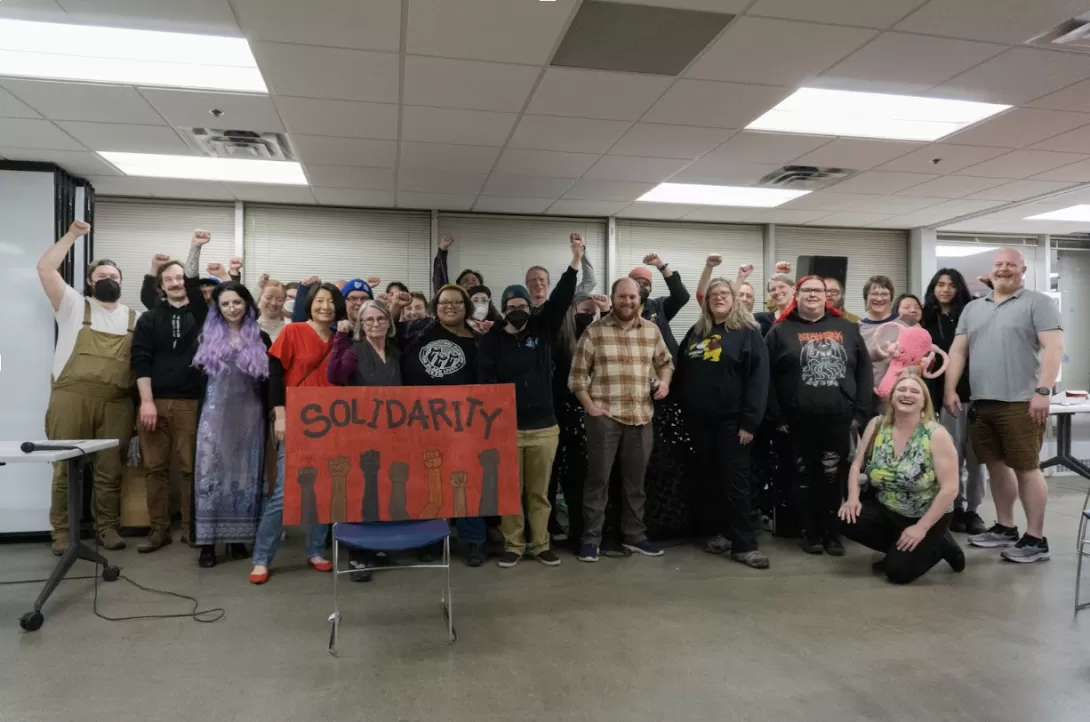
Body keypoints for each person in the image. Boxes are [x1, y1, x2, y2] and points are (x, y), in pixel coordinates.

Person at [944, 248, 1064, 564]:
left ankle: (1036, 539)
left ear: (1022, 270)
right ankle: (1005, 527)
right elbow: (958, 352)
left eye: (1011, 264)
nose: (1004, 269)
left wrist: (1043, 390)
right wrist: (950, 388)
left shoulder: (1038, 303)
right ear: (991, 270)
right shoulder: (973, 308)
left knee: (1027, 468)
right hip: (983, 403)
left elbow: (1054, 347)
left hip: (1022, 402)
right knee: (995, 466)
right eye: (999, 264)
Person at [479, 238, 581, 568]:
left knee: (539, 493)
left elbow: (563, 296)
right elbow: (485, 378)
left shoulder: (543, 328)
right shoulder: (493, 337)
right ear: (503, 308)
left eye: (521, 304)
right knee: (511, 492)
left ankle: (540, 544)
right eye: (510, 306)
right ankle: (513, 545)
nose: (517, 310)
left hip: (544, 427)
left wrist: (575, 261)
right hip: (507, 428)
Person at [38, 218, 136, 554]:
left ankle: (106, 528)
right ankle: (62, 534)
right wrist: (72, 235)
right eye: (102, 277)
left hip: (117, 402)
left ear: (122, 282)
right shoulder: (72, 306)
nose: (109, 280)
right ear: (89, 282)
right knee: (64, 467)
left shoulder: (134, 318)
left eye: (114, 277)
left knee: (110, 471)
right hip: (71, 399)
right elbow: (45, 269)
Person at [569, 277, 675, 562]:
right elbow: (577, 377)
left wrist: (664, 384)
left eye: (632, 297)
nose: (627, 302)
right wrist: (590, 407)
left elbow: (666, 362)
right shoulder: (594, 332)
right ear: (612, 298)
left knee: (635, 483)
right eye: (622, 297)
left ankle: (635, 536)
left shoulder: (651, 331)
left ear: (639, 299)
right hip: (604, 418)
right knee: (598, 481)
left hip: (641, 417)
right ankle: (591, 539)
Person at [765, 276, 872, 556]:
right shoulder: (779, 331)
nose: (812, 295)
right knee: (803, 477)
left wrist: (859, 412)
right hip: (796, 421)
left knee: (832, 476)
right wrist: (777, 417)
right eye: (807, 290)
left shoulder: (847, 328)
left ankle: (833, 532)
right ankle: (809, 532)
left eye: (818, 291)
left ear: (827, 296)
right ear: (796, 295)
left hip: (838, 417)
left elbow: (864, 371)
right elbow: (766, 377)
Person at [249, 283, 344, 583]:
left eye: (330, 301)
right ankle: (262, 558)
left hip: (333, 424)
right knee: (284, 493)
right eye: (319, 300)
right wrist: (280, 414)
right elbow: (275, 372)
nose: (325, 306)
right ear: (309, 304)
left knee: (323, 490)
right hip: (297, 420)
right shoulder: (293, 332)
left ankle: (316, 549)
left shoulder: (342, 338)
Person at [390, 284, 488, 566]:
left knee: (465, 482)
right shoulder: (419, 328)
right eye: (444, 302)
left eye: (457, 302)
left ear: (466, 307)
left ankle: (473, 542)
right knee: (426, 482)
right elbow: (390, 331)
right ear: (436, 306)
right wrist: (396, 305)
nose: (450, 306)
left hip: (462, 425)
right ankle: (429, 541)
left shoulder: (478, 338)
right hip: (418, 422)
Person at [676, 278, 770, 569]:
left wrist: (750, 422)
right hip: (699, 423)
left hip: (733, 423)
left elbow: (758, 380)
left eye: (724, 294)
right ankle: (721, 534)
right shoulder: (696, 332)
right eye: (713, 294)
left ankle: (745, 545)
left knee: (736, 483)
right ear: (706, 302)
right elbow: (681, 370)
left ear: (734, 299)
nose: (718, 298)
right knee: (709, 481)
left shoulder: (747, 333)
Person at [840, 372, 965, 584]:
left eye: (915, 391)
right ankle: (902, 547)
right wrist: (852, 498)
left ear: (924, 402)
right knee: (847, 519)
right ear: (892, 397)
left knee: (897, 573)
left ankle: (940, 544)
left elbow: (950, 489)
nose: (907, 394)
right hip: (888, 508)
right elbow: (856, 465)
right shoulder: (877, 425)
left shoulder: (936, 435)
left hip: (926, 514)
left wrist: (922, 527)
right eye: (902, 389)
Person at [188, 269, 271, 568]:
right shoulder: (207, 334)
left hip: (250, 417)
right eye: (225, 304)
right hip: (214, 417)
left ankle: (238, 538)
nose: (232, 308)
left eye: (237, 302)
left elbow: (268, 383)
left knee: (244, 478)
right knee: (210, 478)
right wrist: (195, 249)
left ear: (247, 304)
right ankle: (207, 545)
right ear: (218, 308)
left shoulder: (260, 337)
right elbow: (190, 283)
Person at [130, 239, 207, 554]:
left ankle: (191, 530)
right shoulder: (149, 318)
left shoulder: (202, 315)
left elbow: (192, 278)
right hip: (154, 403)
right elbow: (141, 359)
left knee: (190, 468)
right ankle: (158, 530)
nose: (176, 283)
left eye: (180, 279)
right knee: (155, 468)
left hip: (191, 403)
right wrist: (146, 401)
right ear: (161, 286)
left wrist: (195, 248)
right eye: (170, 280)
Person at [327, 299, 402, 581]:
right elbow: (334, 377)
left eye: (380, 319)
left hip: (391, 432)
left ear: (389, 322)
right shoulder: (354, 351)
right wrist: (339, 340)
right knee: (361, 492)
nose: (375, 324)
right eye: (368, 320)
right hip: (361, 433)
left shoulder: (395, 352)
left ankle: (379, 546)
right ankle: (358, 554)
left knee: (383, 489)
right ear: (360, 325)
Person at [922, 268, 985, 534]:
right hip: (944, 399)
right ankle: (954, 507)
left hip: (977, 395)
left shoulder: (972, 315)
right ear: (933, 289)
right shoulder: (926, 320)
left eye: (951, 285)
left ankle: (973, 510)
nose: (945, 289)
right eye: (940, 284)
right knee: (951, 457)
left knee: (976, 458)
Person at [548, 291, 610, 549]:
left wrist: (605, 313)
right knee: (550, 475)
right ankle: (549, 525)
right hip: (556, 412)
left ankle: (578, 529)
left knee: (578, 476)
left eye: (591, 314)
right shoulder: (559, 338)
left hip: (584, 415)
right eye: (583, 312)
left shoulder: (596, 338)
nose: (587, 317)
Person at [627, 252, 690, 354]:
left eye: (645, 284)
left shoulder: (659, 307)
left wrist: (661, 265)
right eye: (637, 283)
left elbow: (682, 296)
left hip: (666, 365)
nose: (641, 286)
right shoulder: (618, 309)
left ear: (651, 289)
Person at [858, 275, 898, 396]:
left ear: (891, 298)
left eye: (884, 294)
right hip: (866, 395)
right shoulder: (857, 328)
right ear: (866, 298)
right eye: (874, 294)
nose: (879, 298)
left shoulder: (906, 323)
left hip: (899, 393)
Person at [255, 276, 288, 341]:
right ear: (260, 299)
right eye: (268, 298)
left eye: (279, 299)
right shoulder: (249, 328)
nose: (273, 303)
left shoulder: (288, 330)